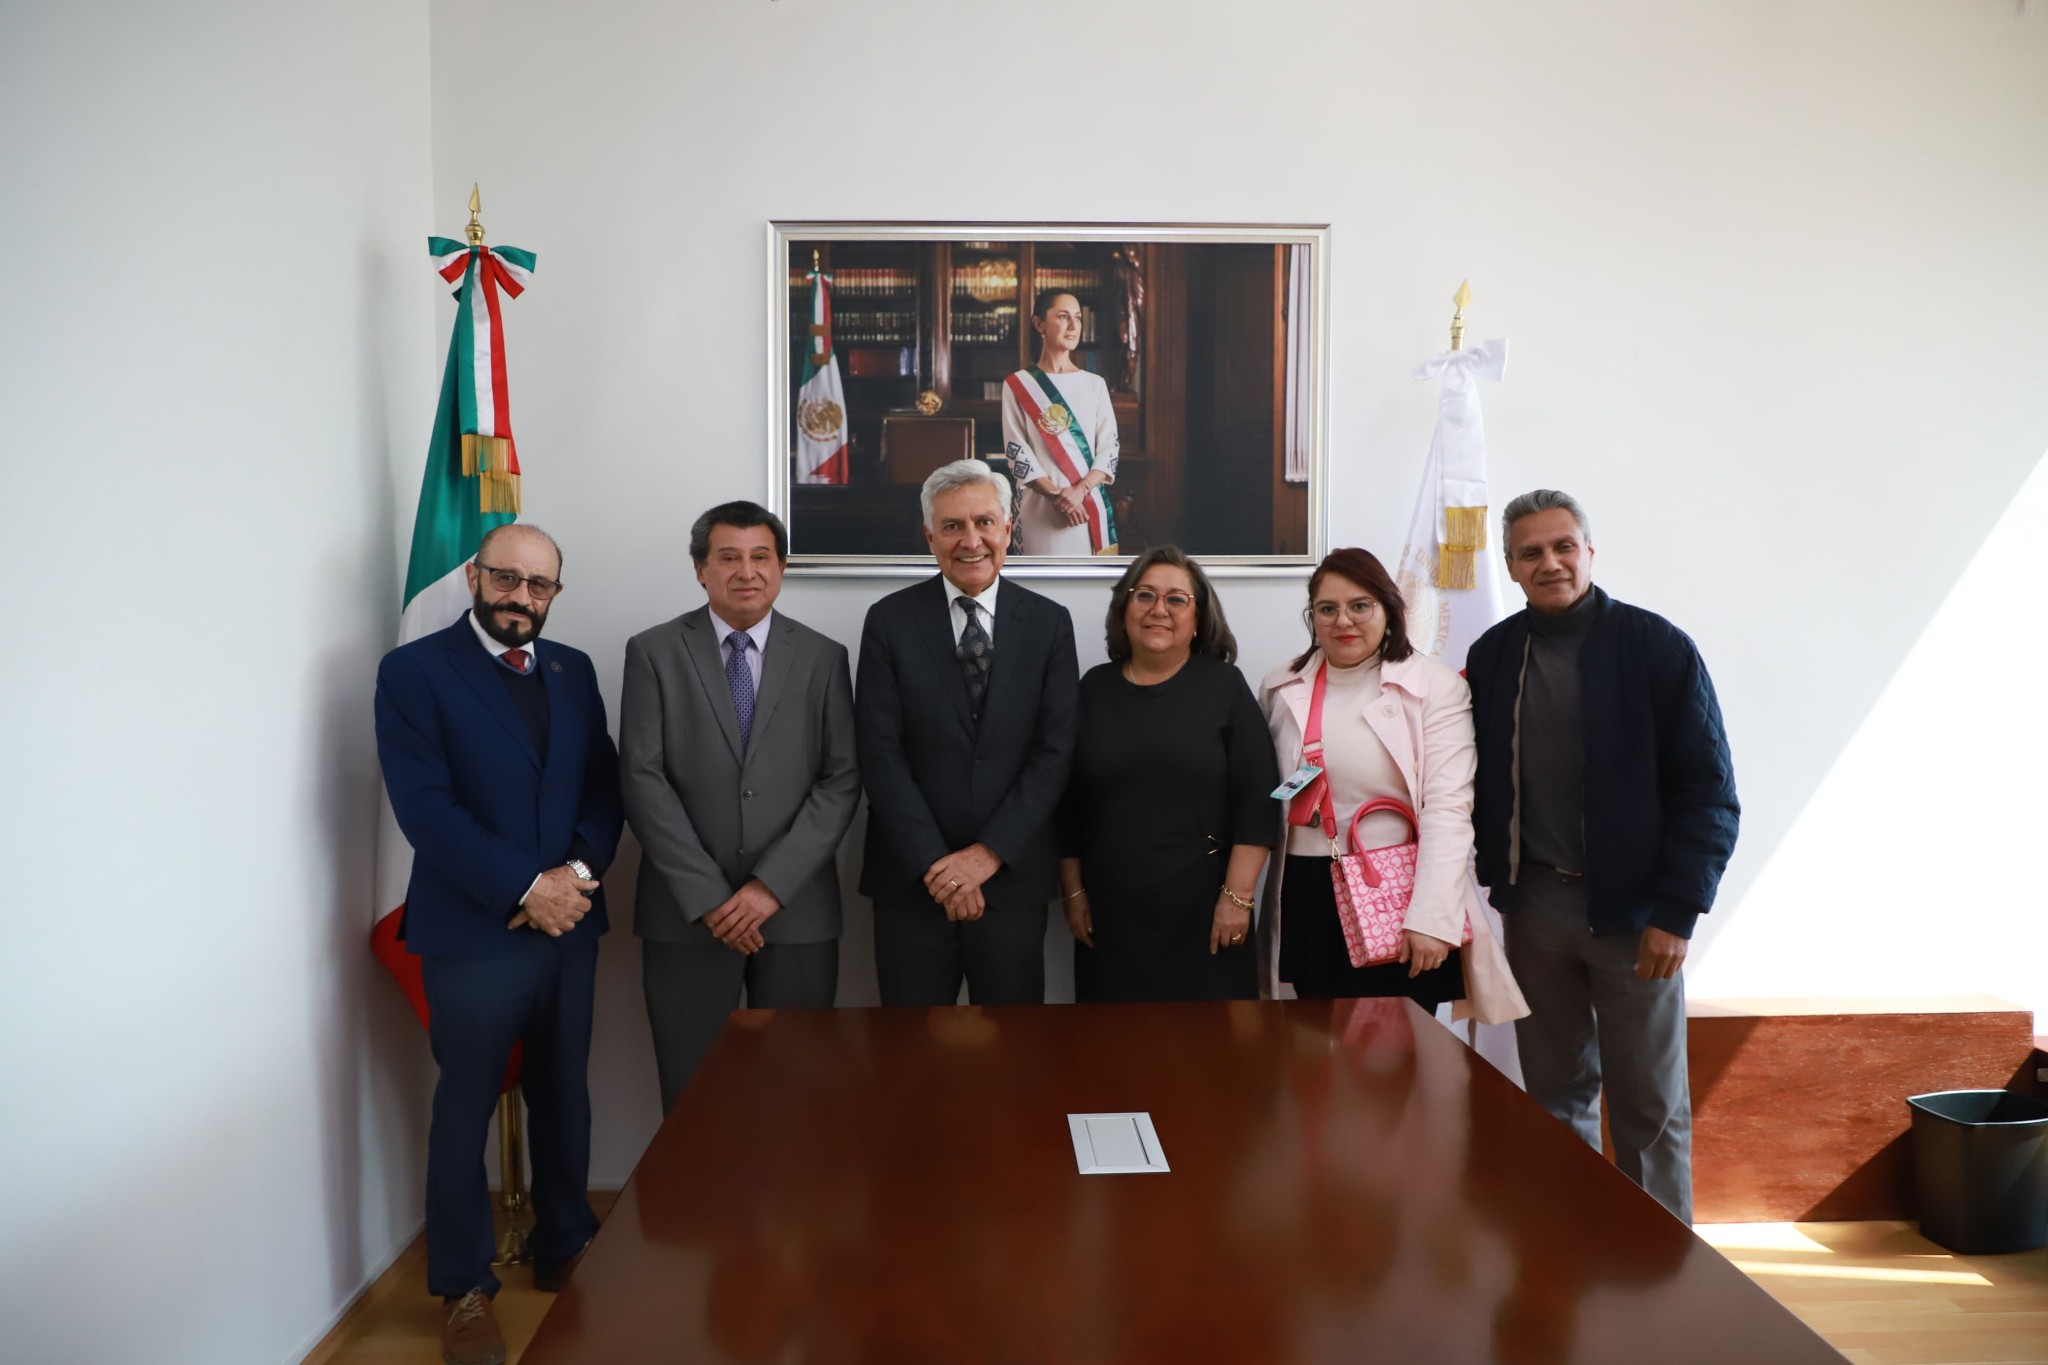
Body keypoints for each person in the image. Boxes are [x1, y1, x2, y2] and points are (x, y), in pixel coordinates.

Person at [373, 523, 623, 1365]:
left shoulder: (572, 669)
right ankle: (465, 1287)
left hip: (569, 923)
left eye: (538, 584)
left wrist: (574, 877)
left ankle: (564, 1243)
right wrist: (527, 887)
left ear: (555, 593)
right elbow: (426, 809)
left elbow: (602, 788)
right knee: (465, 1106)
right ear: (475, 577)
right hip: (475, 929)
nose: (521, 595)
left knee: (563, 1092)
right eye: (506, 578)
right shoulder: (413, 671)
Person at [1467, 489, 1739, 1222]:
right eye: (1531, 552)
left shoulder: (1657, 647)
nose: (1550, 563)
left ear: (1589, 551)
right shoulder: (1493, 655)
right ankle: (1575, 1250)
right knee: (1555, 1098)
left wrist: (1677, 912)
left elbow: (1710, 794)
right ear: (1511, 567)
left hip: (1636, 916)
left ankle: (1662, 1267)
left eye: (1564, 546)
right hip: (1535, 911)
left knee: (1649, 1105)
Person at [619, 501, 858, 1115]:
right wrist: (709, 897)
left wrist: (768, 888)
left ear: (781, 568)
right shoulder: (653, 652)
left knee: (798, 1096)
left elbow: (840, 781)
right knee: (694, 1096)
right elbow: (642, 779)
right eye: (728, 558)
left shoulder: (824, 657)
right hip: (686, 916)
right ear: (700, 568)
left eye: (760, 557)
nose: (746, 572)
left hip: (796, 912)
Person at [1260, 548, 1526, 1025]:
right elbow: (1272, 791)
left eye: (1360, 606)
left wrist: (1432, 917)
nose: (1343, 620)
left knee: (1395, 1053)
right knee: (1311, 1048)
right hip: (1306, 893)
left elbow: (1448, 808)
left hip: (1397, 894)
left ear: (1389, 610)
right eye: (1327, 608)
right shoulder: (1281, 685)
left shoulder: (1434, 687)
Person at [855, 459, 1079, 1005]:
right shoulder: (888, 621)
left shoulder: (1049, 623)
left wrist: (986, 856)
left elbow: (1054, 754)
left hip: (1011, 878)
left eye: (984, 522)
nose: (971, 540)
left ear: (1009, 528)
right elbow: (880, 754)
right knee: (911, 1047)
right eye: (952, 526)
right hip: (913, 880)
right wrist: (940, 868)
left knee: (1011, 1048)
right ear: (930, 536)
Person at [1057, 548, 1278, 1001]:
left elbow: (1257, 799)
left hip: (1208, 911)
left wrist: (1237, 900)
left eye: (1176, 599)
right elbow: (1066, 804)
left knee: (1209, 1041)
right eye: (1145, 596)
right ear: (1123, 611)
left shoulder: (1224, 687)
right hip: (1110, 915)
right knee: (1112, 1040)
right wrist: (1073, 894)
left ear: (1198, 618)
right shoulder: (1092, 689)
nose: (1159, 609)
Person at [1002, 289, 1119, 556]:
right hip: (1040, 508)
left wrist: (1079, 491)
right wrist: (1056, 496)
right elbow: (1017, 450)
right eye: (1064, 317)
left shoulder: (1095, 385)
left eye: (1077, 318)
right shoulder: (1018, 384)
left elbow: (1109, 448)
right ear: (1039, 324)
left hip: (1087, 507)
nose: (1073, 326)